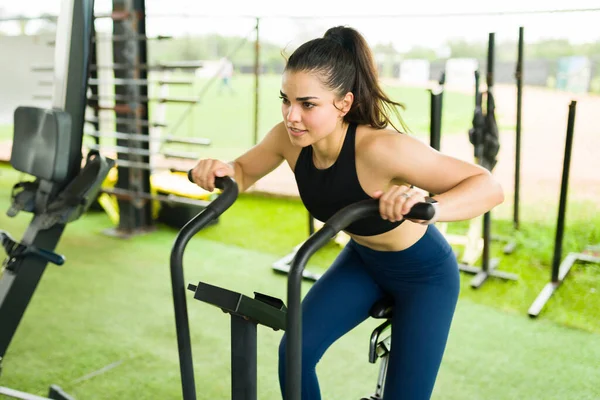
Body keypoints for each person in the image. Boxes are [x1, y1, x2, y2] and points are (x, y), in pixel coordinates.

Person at [190, 26, 504, 400]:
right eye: (285, 100)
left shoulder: (381, 149)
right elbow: (241, 171)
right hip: (363, 261)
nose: (292, 116)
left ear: (343, 103)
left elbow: (488, 185)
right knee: (295, 354)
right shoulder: (287, 140)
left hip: (425, 276)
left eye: (307, 104)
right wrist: (218, 171)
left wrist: (428, 209)